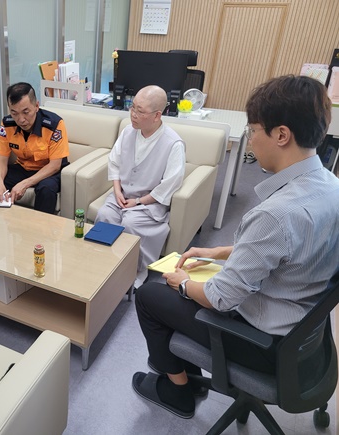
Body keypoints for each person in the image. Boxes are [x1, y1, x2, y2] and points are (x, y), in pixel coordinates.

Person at [132, 75, 339, 418]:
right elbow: (289, 250)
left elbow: (219, 298)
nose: (250, 139)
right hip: (304, 337)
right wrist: (217, 252)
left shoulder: (276, 214)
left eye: (252, 130)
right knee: (178, 290)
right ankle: (183, 368)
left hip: (263, 342)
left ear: (282, 135)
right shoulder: (331, 186)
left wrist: (182, 283)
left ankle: (178, 391)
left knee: (151, 295)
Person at [95, 85, 185, 289]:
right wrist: (117, 191)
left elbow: (168, 185)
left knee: (131, 223)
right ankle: (105, 264)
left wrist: (138, 201)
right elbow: (114, 162)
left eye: (140, 111)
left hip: (149, 202)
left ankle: (136, 270)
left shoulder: (174, 144)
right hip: (122, 195)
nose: (133, 114)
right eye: (132, 107)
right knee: (105, 215)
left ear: (157, 115)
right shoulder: (128, 131)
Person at [0, 82, 69, 213]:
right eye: (14, 113)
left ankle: (39, 225)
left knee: (46, 189)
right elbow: (1, 160)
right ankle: (3, 221)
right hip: (24, 168)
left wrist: (25, 184)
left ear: (36, 106)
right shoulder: (7, 124)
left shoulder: (54, 124)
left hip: (49, 171)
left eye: (26, 112)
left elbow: (55, 165)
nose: (21, 119)